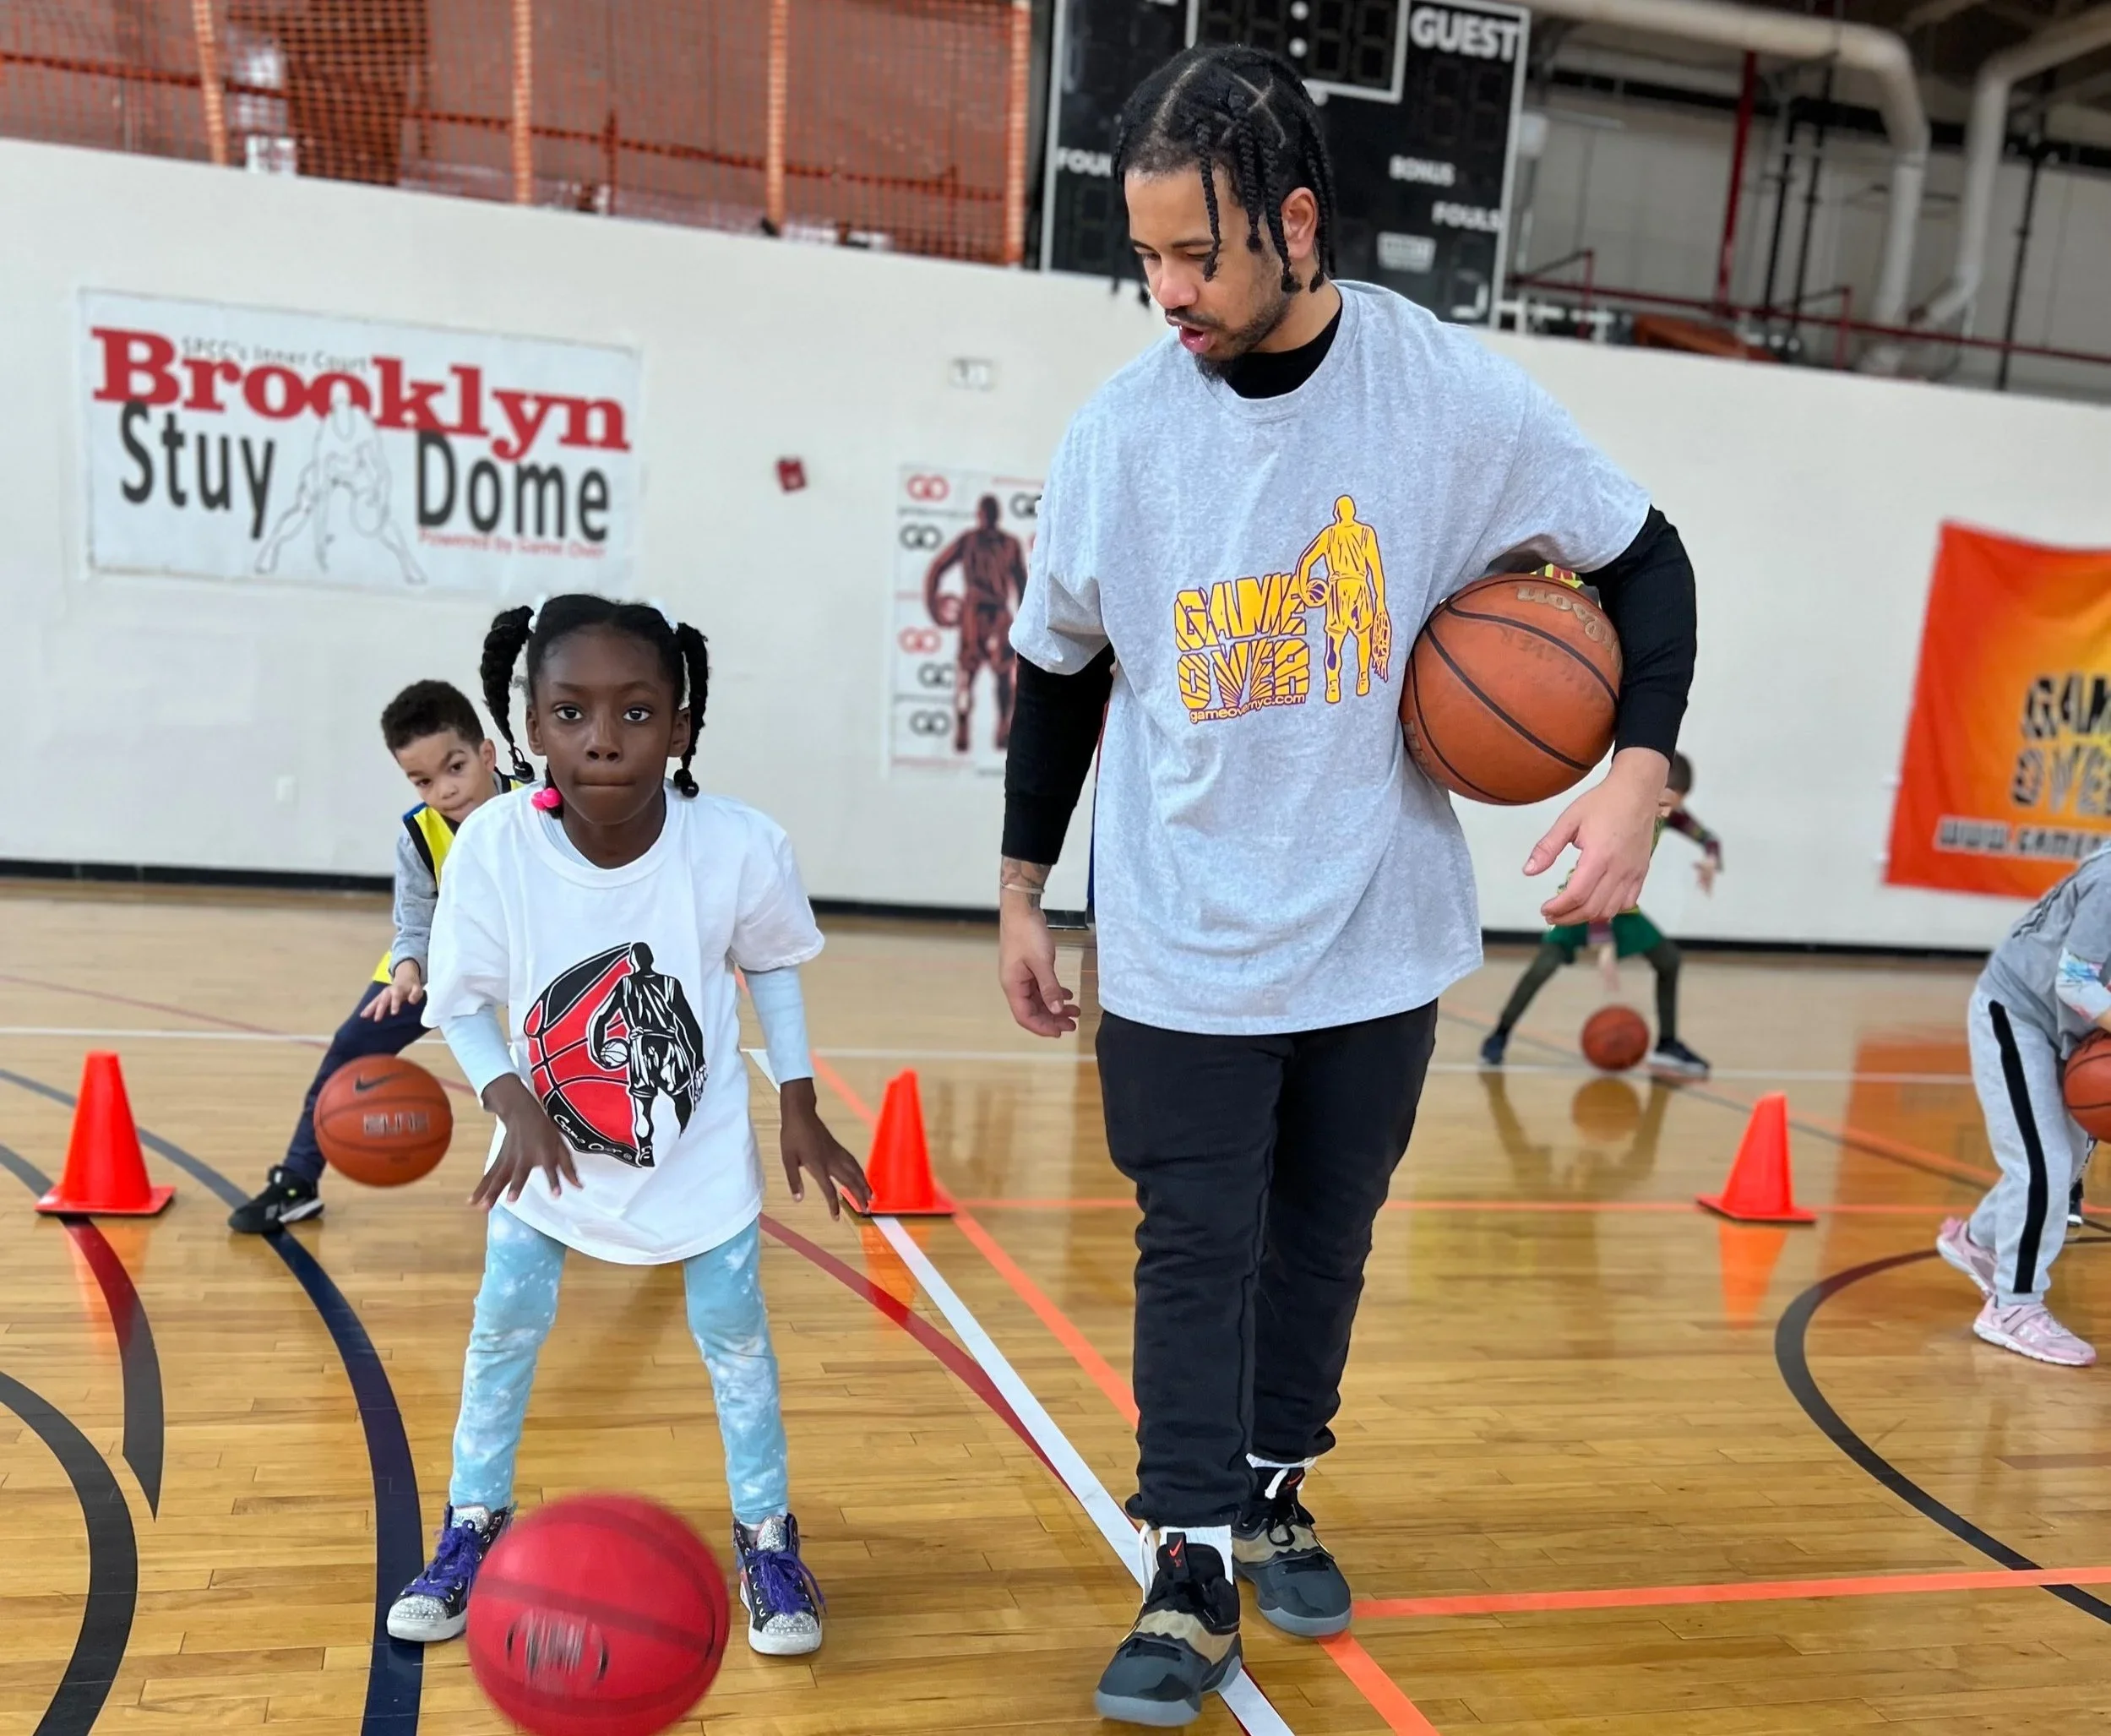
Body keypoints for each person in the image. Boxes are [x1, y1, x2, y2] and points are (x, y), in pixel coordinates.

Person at [996, 45, 1698, 1727]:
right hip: (1178, 940)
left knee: (1321, 1243)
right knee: (1194, 1247)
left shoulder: (1438, 397)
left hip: (1376, 932)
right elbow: (1059, 667)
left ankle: (1269, 1480)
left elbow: (1641, 556)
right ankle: (1187, 1565)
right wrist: (1021, 888)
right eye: (1144, 254)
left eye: (1194, 254)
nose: (1163, 291)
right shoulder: (1122, 434)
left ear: (1294, 226)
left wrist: (1638, 774)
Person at [387, 594, 871, 1652]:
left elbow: (773, 966)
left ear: (683, 726)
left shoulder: (736, 845)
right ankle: (471, 1521)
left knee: (737, 1341)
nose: (603, 738)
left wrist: (800, 1104)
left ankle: (767, 1537)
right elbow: (461, 1002)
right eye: (570, 713)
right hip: (545, 1157)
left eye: (637, 713)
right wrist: (508, 1099)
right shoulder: (494, 853)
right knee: (502, 1329)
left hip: (697, 1158)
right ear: (525, 728)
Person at [229, 681, 517, 1233]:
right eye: (423, 780)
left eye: (455, 768)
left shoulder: (538, 804)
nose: (445, 789)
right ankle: (296, 1181)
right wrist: (408, 968)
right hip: (448, 954)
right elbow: (415, 920)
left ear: (486, 754)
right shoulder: (418, 833)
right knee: (355, 1041)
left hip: (536, 957)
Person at [1935, 845, 2111, 1367]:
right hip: (2019, 1016)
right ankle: (2012, 1307)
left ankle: (1978, 1239)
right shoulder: (2110, 881)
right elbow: (2076, 983)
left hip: (2069, 1032)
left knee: (2066, 1161)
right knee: (2044, 1167)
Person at [1478, 749, 1721, 1077]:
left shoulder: (1671, 815)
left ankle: (1667, 1044)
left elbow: (1709, 839)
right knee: (1542, 968)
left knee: (1669, 960)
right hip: (1583, 897)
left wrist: (1710, 860)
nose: (1674, 807)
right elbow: (1597, 878)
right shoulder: (1623, 818)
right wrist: (1603, 944)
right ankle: (1500, 1035)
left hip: (1620, 905)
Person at [925, 493, 1030, 753]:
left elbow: (1022, 583)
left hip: (998, 614)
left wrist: (1026, 624)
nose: (987, 518)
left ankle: (1003, 727)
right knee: (966, 675)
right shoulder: (968, 541)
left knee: (1004, 675)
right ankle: (962, 729)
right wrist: (934, 607)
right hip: (973, 615)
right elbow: (937, 567)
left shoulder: (1010, 544)